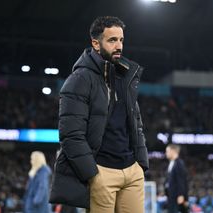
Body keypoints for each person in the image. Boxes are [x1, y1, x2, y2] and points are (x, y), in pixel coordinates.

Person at [50, 16, 149, 213]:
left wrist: (140, 164)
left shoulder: (125, 75)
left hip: (132, 172)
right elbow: (70, 135)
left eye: (121, 40)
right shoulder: (79, 79)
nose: (119, 45)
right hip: (102, 172)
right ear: (96, 43)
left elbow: (135, 122)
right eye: (112, 40)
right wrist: (93, 175)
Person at [164, 144, 188, 213]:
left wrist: (181, 195)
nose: (166, 153)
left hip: (176, 196)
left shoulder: (179, 163)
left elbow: (182, 181)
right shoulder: (172, 163)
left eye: (167, 151)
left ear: (173, 151)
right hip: (170, 195)